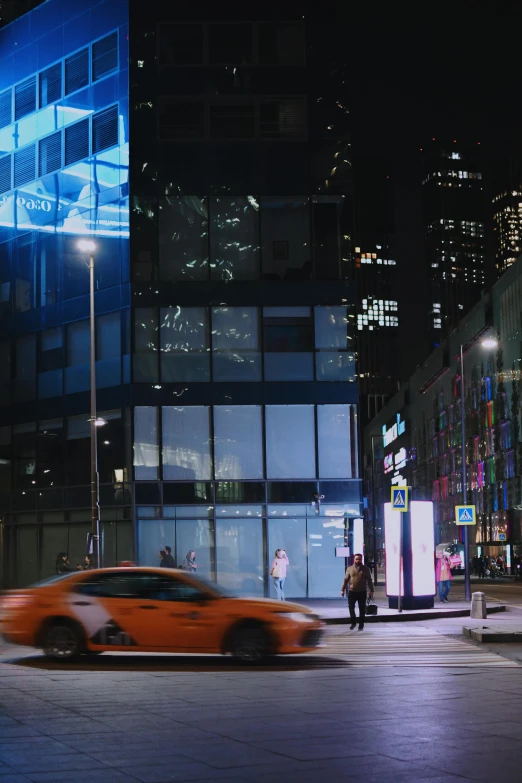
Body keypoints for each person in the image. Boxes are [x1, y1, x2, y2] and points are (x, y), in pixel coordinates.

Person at [340, 553, 374, 630]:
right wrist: (342, 589)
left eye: (360, 559)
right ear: (354, 560)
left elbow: (369, 580)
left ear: (362, 559)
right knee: (351, 608)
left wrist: (371, 590)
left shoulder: (365, 569)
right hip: (352, 592)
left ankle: (361, 625)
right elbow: (346, 580)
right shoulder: (349, 569)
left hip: (362, 592)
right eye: (357, 559)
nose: (358, 560)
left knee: (362, 609)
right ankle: (353, 623)